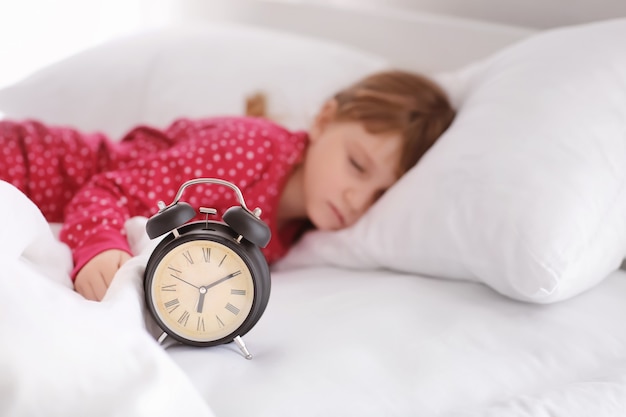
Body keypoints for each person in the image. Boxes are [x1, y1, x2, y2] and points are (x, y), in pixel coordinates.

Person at [0, 70, 455, 301]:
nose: (359, 200)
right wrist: (98, 246)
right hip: (29, 163)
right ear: (324, 119)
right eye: (357, 165)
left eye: (380, 195)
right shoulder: (253, 150)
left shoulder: (301, 231)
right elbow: (107, 191)